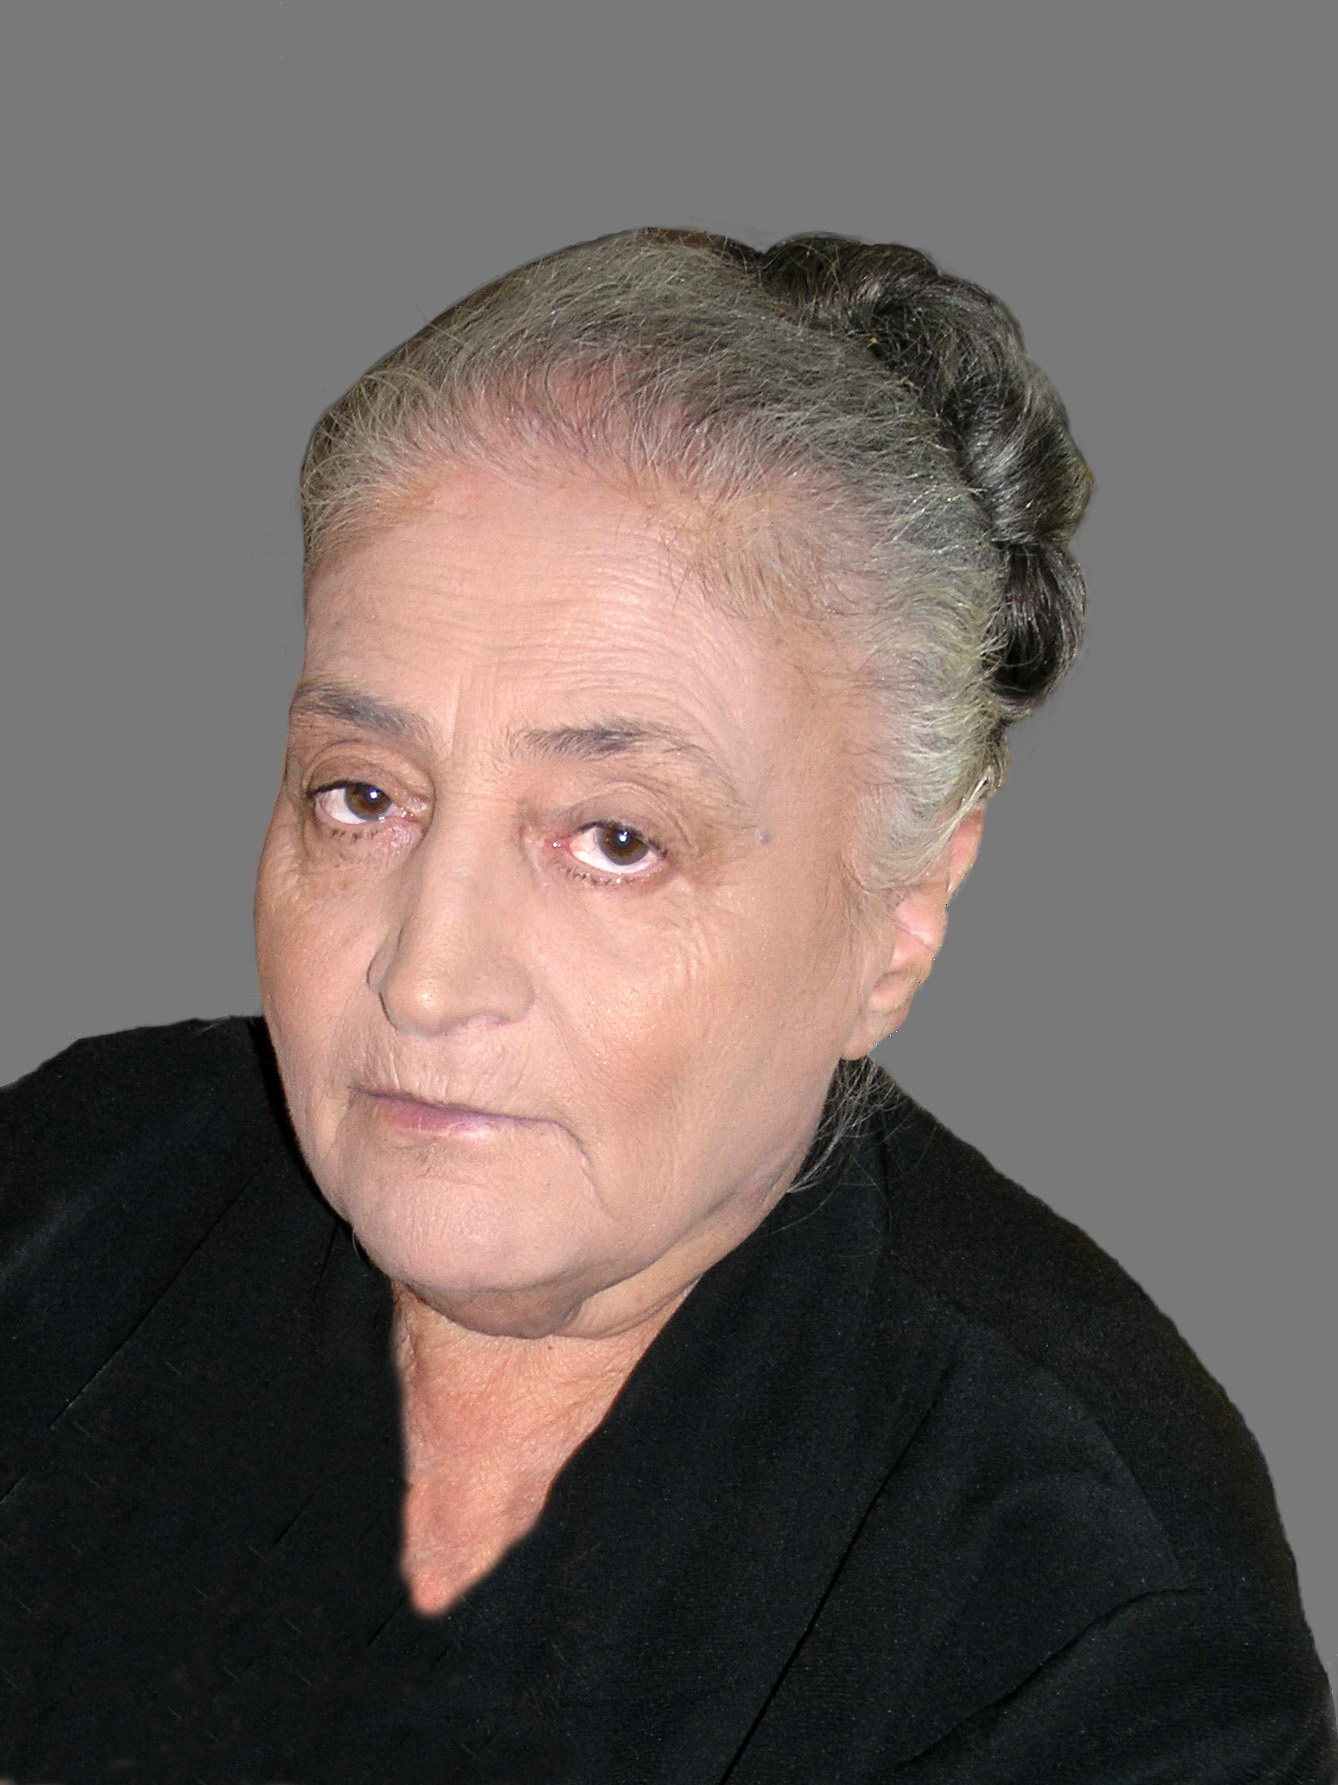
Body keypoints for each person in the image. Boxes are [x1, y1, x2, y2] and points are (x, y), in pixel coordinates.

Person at [1, 229, 1332, 1784]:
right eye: (361, 797)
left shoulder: (1078, 1616)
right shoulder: (78, 1193)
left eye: (615, 840)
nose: (424, 976)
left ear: (897, 919)